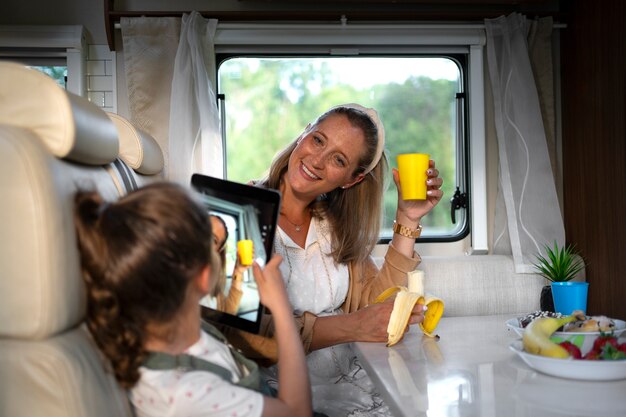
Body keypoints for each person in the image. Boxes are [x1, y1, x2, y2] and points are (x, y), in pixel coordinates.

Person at [231, 103, 444, 417]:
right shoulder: (241, 212)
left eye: (338, 159)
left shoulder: (332, 226)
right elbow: (245, 336)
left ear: (351, 180)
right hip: (282, 396)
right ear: (304, 133)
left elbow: (375, 301)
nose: (317, 160)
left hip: (355, 386)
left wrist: (407, 218)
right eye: (318, 140)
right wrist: (352, 326)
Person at [73, 182, 312, 417]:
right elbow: (298, 413)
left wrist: (238, 276)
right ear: (204, 276)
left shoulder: (178, 327)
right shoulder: (187, 395)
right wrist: (281, 308)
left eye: (215, 240)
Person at [209, 214, 250, 315]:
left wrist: (238, 271)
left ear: (218, 251)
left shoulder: (211, 285)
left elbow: (227, 314)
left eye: (213, 240)